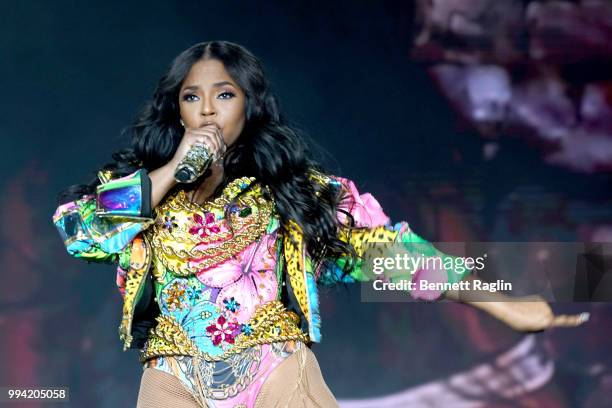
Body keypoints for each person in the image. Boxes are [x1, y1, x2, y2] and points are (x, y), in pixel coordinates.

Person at [52, 41, 589, 408]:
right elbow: (80, 232)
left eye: (225, 94)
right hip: (172, 380)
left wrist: (501, 305)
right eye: (193, 97)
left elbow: (386, 253)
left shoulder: (293, 191)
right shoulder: (142, 191)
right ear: (178, 111)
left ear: (249, 107)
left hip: (276, 375)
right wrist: (171, 170)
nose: (209, 111)